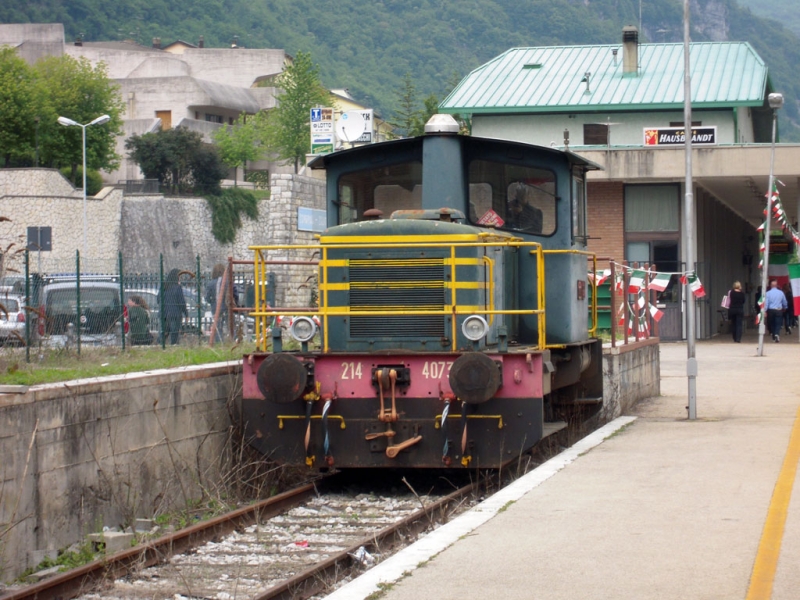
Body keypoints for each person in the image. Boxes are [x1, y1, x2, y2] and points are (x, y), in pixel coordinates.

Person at [205, 263, 238, 341]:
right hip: (227, 307)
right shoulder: (228, 282)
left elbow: (206, 298)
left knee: (218, 328)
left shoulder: (210, 284)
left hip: (216, 309)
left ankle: (219, 343)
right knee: (231, 326)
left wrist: (212, 302)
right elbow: (235, 293)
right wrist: (236, 303)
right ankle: (234, 341)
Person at [159, 268, 187, 345]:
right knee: (174, 334)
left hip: (163, 313)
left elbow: (158, 299)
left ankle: (160, 346)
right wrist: (186, 313)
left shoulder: (163, 286)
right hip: (175, 314)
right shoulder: (177, 287)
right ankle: (173, 346)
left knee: (163, 333)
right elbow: (181, 302)